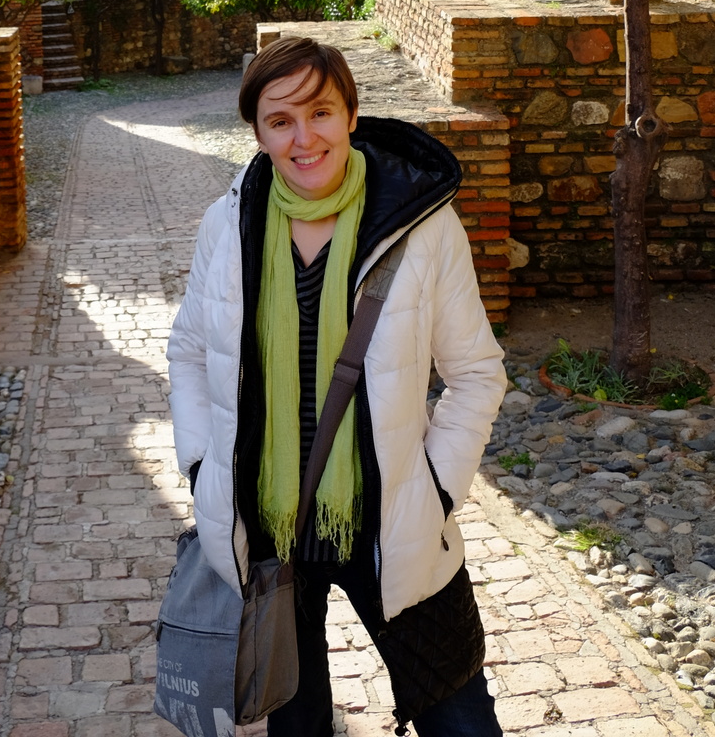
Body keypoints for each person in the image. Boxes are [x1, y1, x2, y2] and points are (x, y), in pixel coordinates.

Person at [167, 36, 507, 737]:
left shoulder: (420, 227)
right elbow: (190, 352)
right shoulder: (227, 225)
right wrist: (202, 466)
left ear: (351, 114)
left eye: (319, 112)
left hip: (391, 521)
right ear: (257, 133)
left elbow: (475, 373)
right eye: (280, 120)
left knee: (461, 721)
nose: (303, 139)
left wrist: (435, 492)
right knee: (296, 726)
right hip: (268, 527)